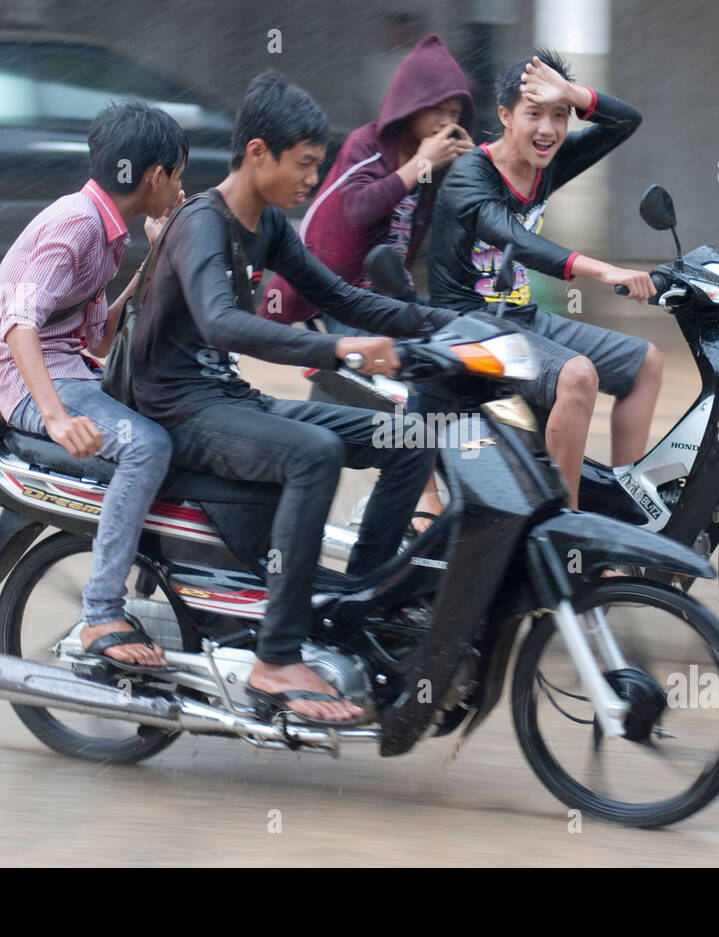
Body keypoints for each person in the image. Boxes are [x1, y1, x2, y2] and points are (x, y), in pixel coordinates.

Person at [131, 71, 460, 727]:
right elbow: (223, 322)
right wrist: (336, 350)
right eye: (306, 164)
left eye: (318, 164)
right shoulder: (203, 223)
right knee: (315, 453)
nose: (315, 179)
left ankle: (360, 601)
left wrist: (444, 325)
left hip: (226, 398)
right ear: (258, 153)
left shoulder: (271, 227)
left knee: (412, 437)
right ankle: (276, 657)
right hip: (180, 410)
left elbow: (340, 296)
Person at [0, 100, 186, 671]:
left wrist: (155, 255)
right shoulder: (76, 223)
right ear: (153, 176)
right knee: (147, 445)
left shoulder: (108, 229)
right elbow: (19, 323)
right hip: (31, 384)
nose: (179, 190)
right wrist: (55, 417)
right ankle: (101, 611)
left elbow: (97, 342)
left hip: (69, 367)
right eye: (177, 176)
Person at [429, 49, 663, 508]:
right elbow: (516, 238)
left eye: (560, 116)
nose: (549, 129)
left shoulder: (547, 162)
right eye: (534, 114)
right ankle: (568, 526)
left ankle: (623, 508)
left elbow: (627, 121)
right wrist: (601, 269)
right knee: (578, 376)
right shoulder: (469, 175)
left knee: (645, 362)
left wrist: (575, 94)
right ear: (505, 116)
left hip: (522, 319)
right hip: (467, 327)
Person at [260, 34, 475, 532]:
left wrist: (468, 165)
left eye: (455, 111)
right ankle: (422, 503)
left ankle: (293, 508)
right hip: (337, 287)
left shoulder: (438, 163)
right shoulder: (369, 144)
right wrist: (420, 164)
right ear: (411, 106)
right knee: (403, 386)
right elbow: (358, 209)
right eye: (437, 109)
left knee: (359, 399)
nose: (447, 121)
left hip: (384, 292)